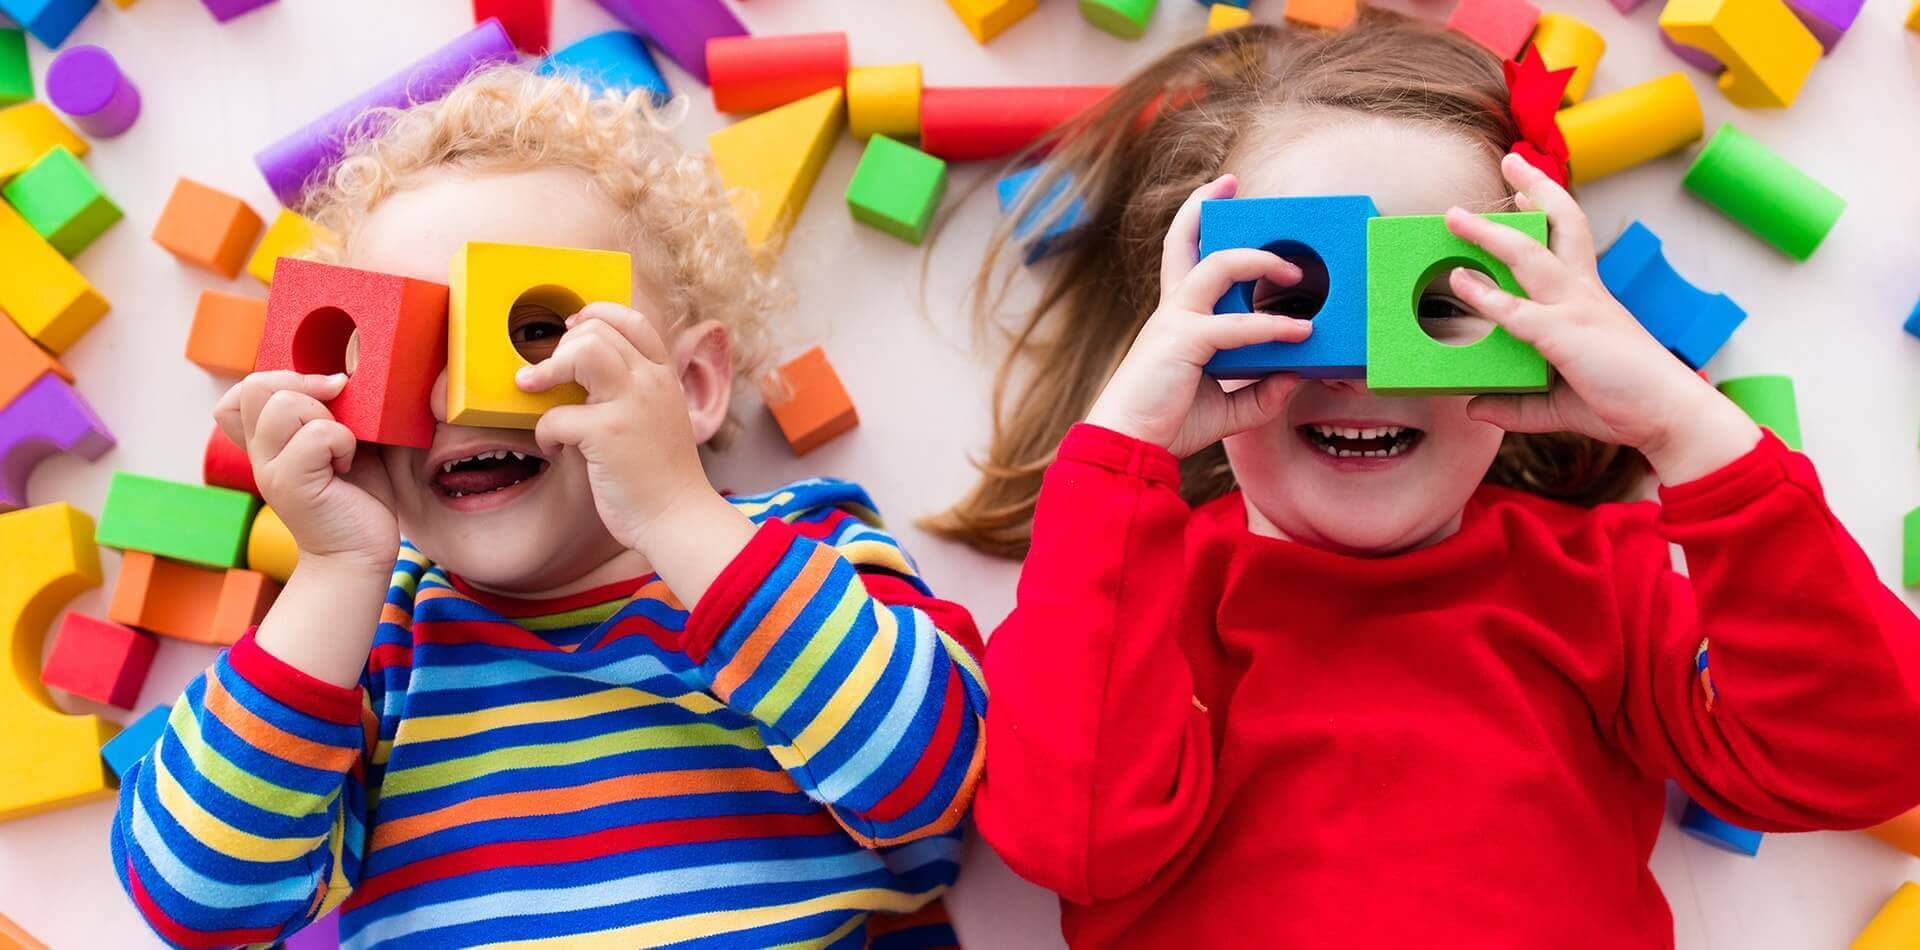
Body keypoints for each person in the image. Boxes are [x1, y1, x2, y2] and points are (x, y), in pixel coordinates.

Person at [932, 16, 1920, 947]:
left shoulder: (1601, 589)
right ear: (1197, 330)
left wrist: (1685, 427)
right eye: (1297, 299)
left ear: (1534, 333)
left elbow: (1864, 754)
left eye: (1439, 302)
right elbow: (1071, 843)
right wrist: (1119, 457)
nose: (1364, 371)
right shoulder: (1140, 595)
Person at [111, 67, 984, 949]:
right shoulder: (368, 642)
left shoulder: (800, 551)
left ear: (690, 386)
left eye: (534, 328)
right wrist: (336, 571)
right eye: (405, 349)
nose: (456, 397)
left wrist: (679, 512)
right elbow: (199, 902)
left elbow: (932, 778)